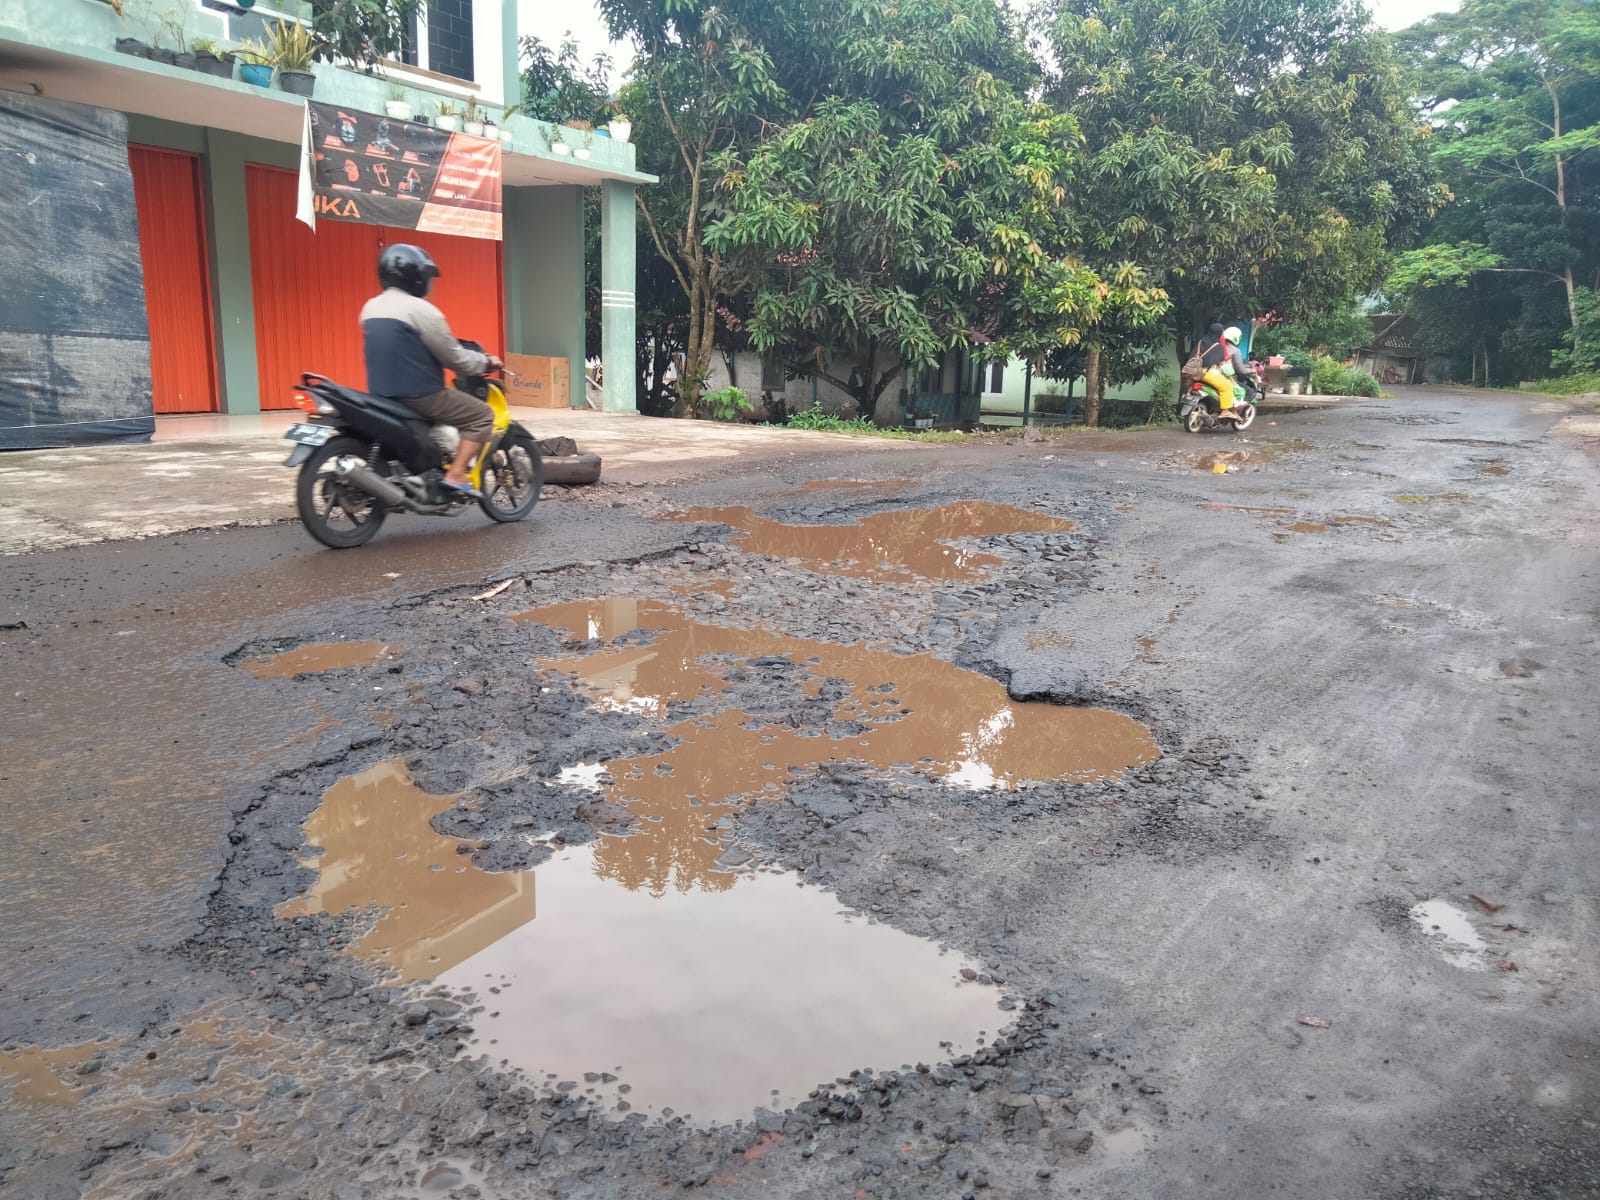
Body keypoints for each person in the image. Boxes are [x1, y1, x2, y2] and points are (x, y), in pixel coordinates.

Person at [361, 244, 501, 499]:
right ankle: (457, 474)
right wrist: (486, 362)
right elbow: (456, 358)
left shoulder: (370, 308)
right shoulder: (422, 310)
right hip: (421, 395)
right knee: (482, 415)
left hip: (381, 395)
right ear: (416, 276)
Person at [1199, 323, 1250, 421]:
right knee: (1227, 386)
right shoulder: (1218, 346)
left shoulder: (1202, 342)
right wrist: (1231, 378)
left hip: (1194, 372)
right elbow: (1223, 365)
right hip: (1207, 373)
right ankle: (1225, 411)